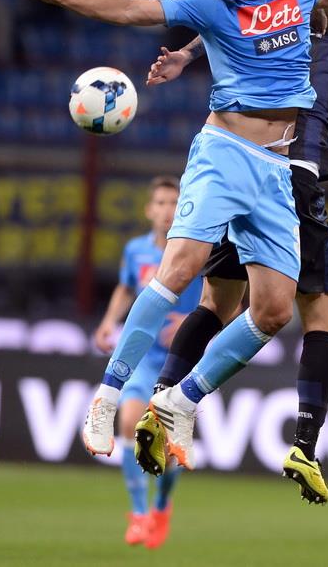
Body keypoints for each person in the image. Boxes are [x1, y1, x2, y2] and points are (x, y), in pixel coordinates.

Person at [14, 0, 328, 472]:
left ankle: (181, 400)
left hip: (278, 168)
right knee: (180, 268)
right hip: (224, 152)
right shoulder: (209, 3)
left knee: (273, 311)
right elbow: (132, 8)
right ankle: (107, 397)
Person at [135, 9, 328, 505]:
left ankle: (160, 397)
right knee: (318, 318)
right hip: (293, 180)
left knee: (216, 303)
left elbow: (215, 19)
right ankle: (303, 446)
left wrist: (186, 55)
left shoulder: (254, 39)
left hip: (237, 171)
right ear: (322, 26)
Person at [94, 176, 203, 548]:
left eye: (174, 203)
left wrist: (192, 322)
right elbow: (126, 287)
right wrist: (109, 321)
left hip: (181, 359)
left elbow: (226, 299)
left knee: (168, 447)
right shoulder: (136, 251)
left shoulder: (198, 249)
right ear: (148, 210)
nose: (167, 210)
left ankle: (162, 504)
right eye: (160, 203)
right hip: (143, 355)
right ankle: (139, 514)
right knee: (129, 421)